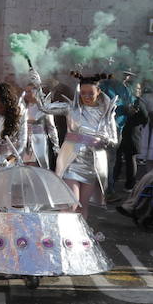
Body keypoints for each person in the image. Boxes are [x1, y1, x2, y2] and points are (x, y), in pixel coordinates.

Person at [41, 71, 119, 212]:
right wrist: (37, 86)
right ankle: (65, 233)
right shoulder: (71, 109)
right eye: (83, 93)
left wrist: (104, 140)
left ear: (99, 91)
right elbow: (45, 108)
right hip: (71, 161)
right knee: (71, 204)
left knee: (83, 205)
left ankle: (81, 234)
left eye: (90, 93)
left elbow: (114, 141)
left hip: (92, 164)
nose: (87, 97)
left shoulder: (106, 113)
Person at [22, 80, 57, 169]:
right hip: (24, 141)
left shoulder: (44, 108)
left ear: (36, 92)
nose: (27, 94)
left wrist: (56, 146)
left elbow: (51, 127)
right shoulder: (23, 107)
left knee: (36, 167)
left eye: (30, 91)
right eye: (26, 91)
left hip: (39, 140)